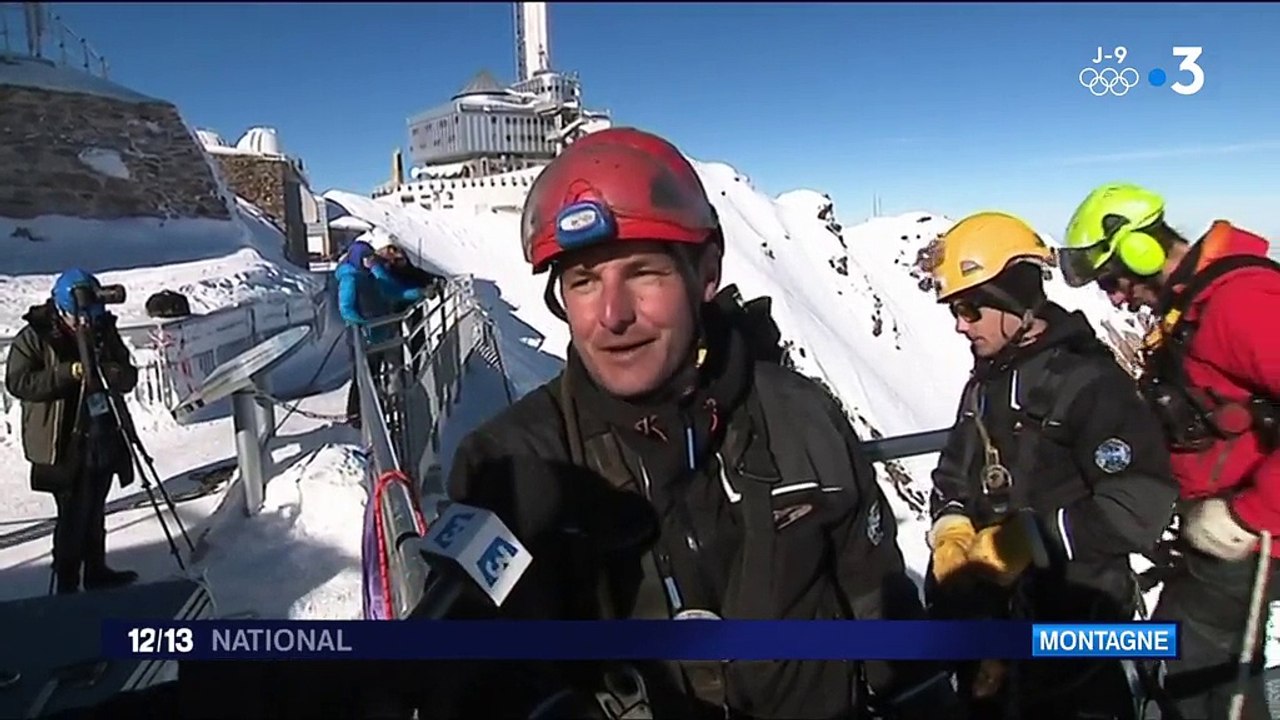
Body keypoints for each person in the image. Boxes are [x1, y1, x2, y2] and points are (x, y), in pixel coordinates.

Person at [441, 127, 960, 719]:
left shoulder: (800, 417)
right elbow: (469, 660)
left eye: (643, 273)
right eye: (583, 281)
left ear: (706, 272)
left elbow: (879, 605)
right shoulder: (518, 464)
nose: (612, 315)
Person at [918, 211, 1179, 719]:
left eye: (970, 309)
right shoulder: (987, 383)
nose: (960, 324)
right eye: (955, 310)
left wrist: (1030, 542)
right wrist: (951, 527)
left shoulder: (1090, 384)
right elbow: (954, 472)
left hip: (1077, 632)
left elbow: (1139, 502)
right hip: (995, 636)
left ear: (1011, 296)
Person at [1060, 183, 1280, 719]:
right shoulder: (1192, 308)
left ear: (1143, 251)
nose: (1115, 299)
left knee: (1190, 673)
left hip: (1250, 537)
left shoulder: (1237, 304)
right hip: (1219, 533)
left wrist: (1249, 516)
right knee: (1197, 671)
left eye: (1112, 281)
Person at [4, 268, 140, 594]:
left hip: (103, 431)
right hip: (61, 438)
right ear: (61, 310)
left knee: (95, 506)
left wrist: (115, 372)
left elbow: (129, 375)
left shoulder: (102, 328)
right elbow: (19, 383)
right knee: (72, 513)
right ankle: (67, 582)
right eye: (79, 318)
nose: (84, 324)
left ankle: (96, 570)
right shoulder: (35, 335)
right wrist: (68, 373)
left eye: (89, 318)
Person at [336, 240, 424, 426]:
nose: (370, 261)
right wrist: (363, 326)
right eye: (366, 258)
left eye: (371, 257)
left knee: (376, 376)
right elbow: (346, 308)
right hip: (364, 338)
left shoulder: (373, 275)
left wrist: (420, 292)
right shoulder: (350, 278)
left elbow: (393, 291)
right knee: (363, 377)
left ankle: (377, 415)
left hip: (380, 334)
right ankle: (357, 416)